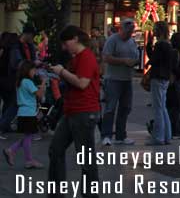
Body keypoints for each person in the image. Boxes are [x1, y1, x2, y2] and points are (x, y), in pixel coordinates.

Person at [47, 25, 101, 191]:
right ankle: (57, 191)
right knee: (56, 149)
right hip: (72, 110)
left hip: (84, 111)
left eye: (66, 42)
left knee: (85, 157)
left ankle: (90, 193)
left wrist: (62, 72)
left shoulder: (86, 57)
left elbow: (82, 82)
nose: (64, 47)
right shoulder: (77, 57)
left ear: (75, 39)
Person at [100, 19, 139, 146]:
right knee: (110, 107)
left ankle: (121, 135)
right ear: (120, 29)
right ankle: (106, 135)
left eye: (131, 32)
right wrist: (123, 61)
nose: (129, 34)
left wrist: (134, 62)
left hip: (127, 79)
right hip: (113, 79)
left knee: (125, 107)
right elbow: (106, 57)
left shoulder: (132, 41)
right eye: (127, 31)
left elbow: (136, 56)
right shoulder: (112, 40)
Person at [4, 60, 44, 168]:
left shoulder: (20, 82)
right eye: (33, 70)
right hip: (29, 113)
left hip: (22, 112)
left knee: (28, 136)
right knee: (28, 137)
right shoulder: (28, 82)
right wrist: (43, 82)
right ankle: (28, 159)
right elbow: (39, 95)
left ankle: (12, 150)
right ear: (28, 70)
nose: (35, 72)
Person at [145, 21, 173, 145]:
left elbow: (153, 59)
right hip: (165, 77)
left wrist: (149, 45)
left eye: (155, 29)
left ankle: (158, 137)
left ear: (159, 31)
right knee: (163, 107)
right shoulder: (168, 45)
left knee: (158, 108)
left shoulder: (160, 44)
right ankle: (167, 135)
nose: (154, 32)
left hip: (158, 76)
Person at [167, 32, 180, 139]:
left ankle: (175, 131)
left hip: (175, 82)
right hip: (175, 83)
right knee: (176, 107)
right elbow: (174, 68)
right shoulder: (176, 53)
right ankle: (175, 131)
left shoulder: (175, 52)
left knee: (174, 107)